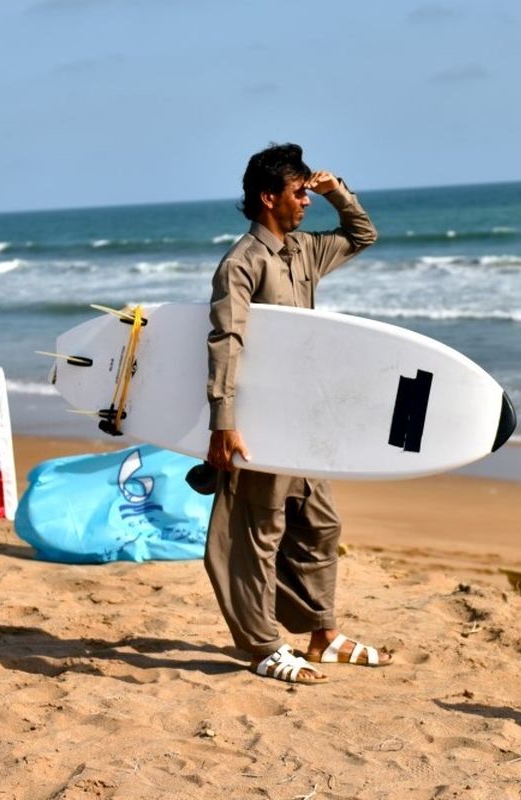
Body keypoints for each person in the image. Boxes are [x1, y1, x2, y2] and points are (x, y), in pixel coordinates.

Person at [203, 142, 389, 684]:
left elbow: (362, 236)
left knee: (321, 523)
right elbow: (226, 338)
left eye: (309, 191)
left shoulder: (303, 251)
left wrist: (339, 193)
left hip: (301, 418)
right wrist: (223, 420)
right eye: (299, 192)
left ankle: (322, 634)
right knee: (258, 531)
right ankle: (262, 644)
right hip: (257, 420)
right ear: (268, 197)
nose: (307, 201)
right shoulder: (242, 263)